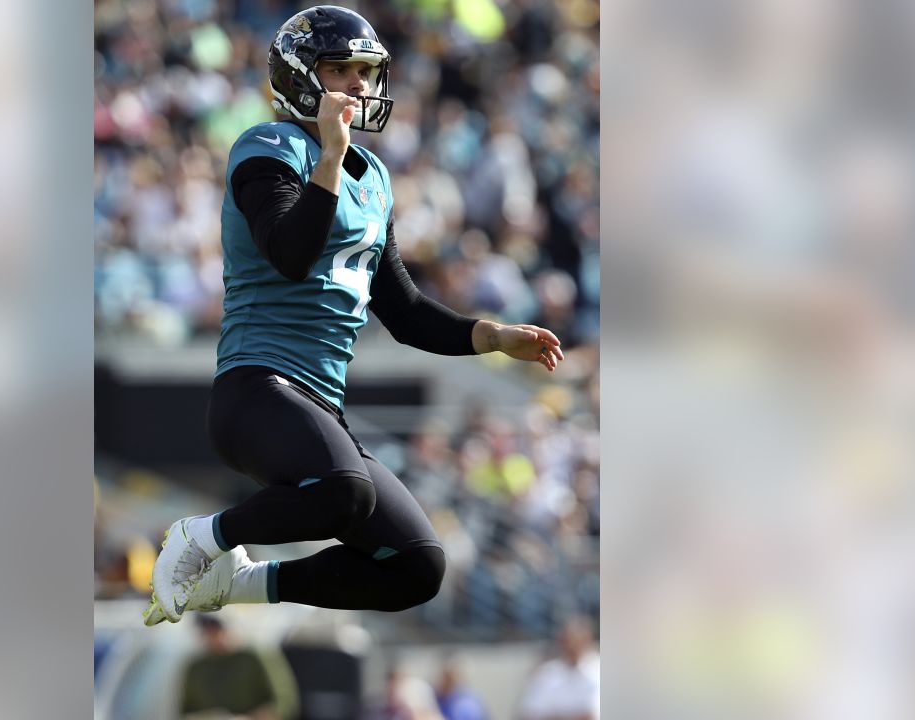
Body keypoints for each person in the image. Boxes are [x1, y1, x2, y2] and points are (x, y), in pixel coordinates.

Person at [144, 5, 563, 626]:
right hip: (257, 388)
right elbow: (290, 254)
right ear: (299, 76)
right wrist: (329, 159)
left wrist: (493, 336)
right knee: (348, 491)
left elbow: (405, 310)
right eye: (342, 70)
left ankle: (236, 587)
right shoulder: (265, 148)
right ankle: (202, 536)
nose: (359, 88)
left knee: (418, 565)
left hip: (317, 405)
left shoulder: (374, 178)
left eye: (366, 73)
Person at [180, 615, 299, 720]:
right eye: (206, 630)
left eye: (216, 628)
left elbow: (284, 701)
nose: (212, 635)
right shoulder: (196, 667)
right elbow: (187, 711)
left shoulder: (257, 656)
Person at [517, 615, 601, 720]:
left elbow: (593, 715)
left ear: (587, 640)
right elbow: (528, 714)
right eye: (568, 641)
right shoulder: (547, 673)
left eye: (576, 641)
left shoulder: (599, 670)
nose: (572, 646)